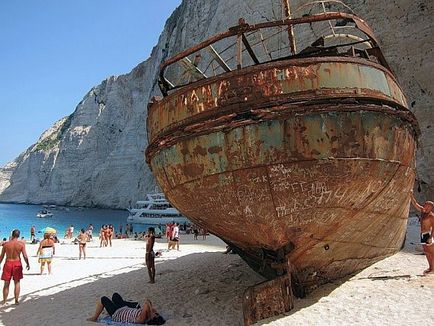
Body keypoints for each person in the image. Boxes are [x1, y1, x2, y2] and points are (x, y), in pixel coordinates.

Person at [86, 292, 164, 324]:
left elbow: (147, 303)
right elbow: (148, 305)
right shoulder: (146, 314)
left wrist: (151, 310)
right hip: (124, 308)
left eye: (156, 314)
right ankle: (111, 306)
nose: (156, 312)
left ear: (152, 318)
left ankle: (95, 317)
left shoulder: (142, 318)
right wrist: (152, 312)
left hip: (117, 314)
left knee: (103, 299)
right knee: (115, 295)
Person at [0, 229, 30, 305]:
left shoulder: (6, 244)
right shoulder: (21, 244)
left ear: (12, 235)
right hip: (17, 264)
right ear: (18, 235)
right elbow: (25, 256)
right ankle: (16, 300)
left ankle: (4, 301)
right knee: (17, 282)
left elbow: (2, 256)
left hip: (8, 263)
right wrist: (28, 263)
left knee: (6, 283)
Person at [410, 190, 434, 274]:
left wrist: (431, 237)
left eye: (427, 206)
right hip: (423, 234)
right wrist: (411, 195)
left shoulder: (431, 216)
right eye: (425, 205)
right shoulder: (423, 212)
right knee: (426, 252)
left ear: (430, 208)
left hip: (428, 234)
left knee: (431, 252)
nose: (425, 207)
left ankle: (433, 269)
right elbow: (415, 204)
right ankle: (430, 267)